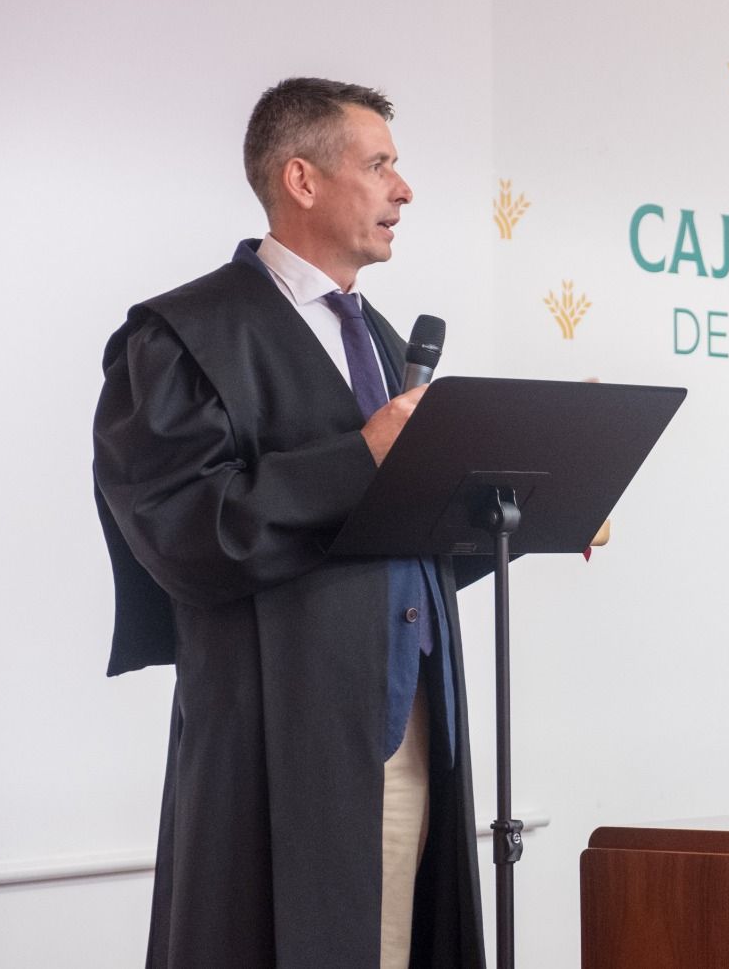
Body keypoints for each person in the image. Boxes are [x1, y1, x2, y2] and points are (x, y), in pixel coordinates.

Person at [93, 78, 484, 969]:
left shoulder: (377, 338)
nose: (405, 189)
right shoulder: (180, 338)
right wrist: (363, 455)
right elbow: (188, 536)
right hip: (280, 738)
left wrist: (530, 506)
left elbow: (386, 535)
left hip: (409, 720)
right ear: (301, 181)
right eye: (380, 164)